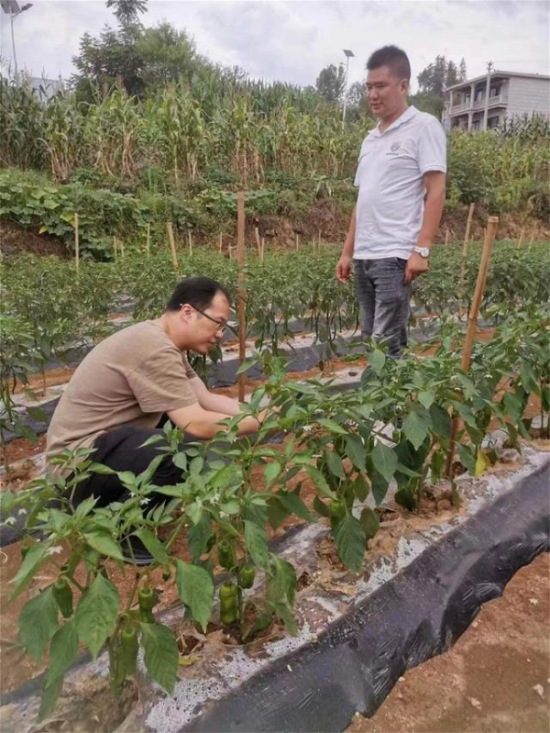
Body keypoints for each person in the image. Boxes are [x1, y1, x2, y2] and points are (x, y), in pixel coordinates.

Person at [47, 277, 271, 559]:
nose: (220, 334)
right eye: (218, 323)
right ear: (188, 312)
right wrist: (259, 422)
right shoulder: (153, 347)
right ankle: (127, 534)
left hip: (97, 453)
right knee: (181, 445)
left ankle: (117, 507)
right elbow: (197, 423)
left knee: (174, 426)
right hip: (76, 468)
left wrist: (264, 411)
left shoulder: (166, 344)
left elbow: (208, 400)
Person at [336, 45, 447, 358]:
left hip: (394, 254)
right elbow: (364, 199)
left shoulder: (423, 127)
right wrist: (347, 251)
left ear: (403, 85)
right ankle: (390, 405)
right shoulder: (370, 140)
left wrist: (421, 250)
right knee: (374, 339)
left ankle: (383, 408)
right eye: (369, 87)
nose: (373, 94)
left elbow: (436, 190)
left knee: (384, 346)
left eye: (380, 86)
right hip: (365, 255)